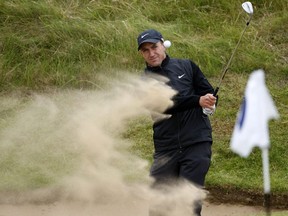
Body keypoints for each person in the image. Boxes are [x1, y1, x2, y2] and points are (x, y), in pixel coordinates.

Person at [137, 29, 217, 216]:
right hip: (166, 148)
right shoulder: (144, 81)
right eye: (145, 50)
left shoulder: (187, 66)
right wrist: (197, 101)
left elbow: (209, 92)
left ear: (163, 44)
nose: (151, 53)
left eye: (154, 47)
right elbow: (165, 106)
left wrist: (210, 104)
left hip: (196, 142)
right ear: (142, 54)